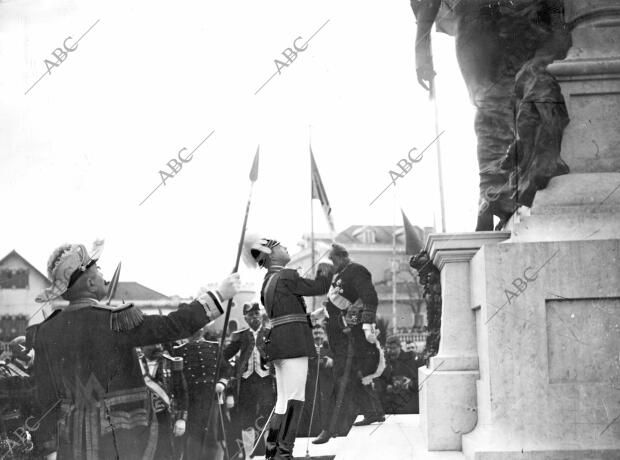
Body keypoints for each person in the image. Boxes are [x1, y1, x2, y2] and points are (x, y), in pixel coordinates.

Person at [29, 240, 239, 460]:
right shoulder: (115, 320)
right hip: (119, 437)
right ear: (90, 283)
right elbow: (171, 326)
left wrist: (49, 447)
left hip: (71, 442)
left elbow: (44, 395)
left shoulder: (45, 331)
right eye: (99, 271)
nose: (105, 277)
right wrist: (219, 295)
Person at [243, 235, 333, 459]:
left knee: (283, 401)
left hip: (279, 345)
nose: (286, 247)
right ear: (272, 254)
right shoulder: (287, 274)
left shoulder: (268, 282)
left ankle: (274, 452)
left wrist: (311, 318)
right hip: (293, 345)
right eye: (281, 246)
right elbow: (320, 286)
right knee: (295, 399)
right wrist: (326, 262)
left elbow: (285, 318)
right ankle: (284, 454)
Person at [313, 243, 385, 445]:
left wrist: (366, 326)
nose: (331, 265)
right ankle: (374, 411)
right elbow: (332, 306)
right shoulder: (339, 275)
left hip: (350, 336)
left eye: (333, 260)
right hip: (337, 335)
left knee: (340, 378)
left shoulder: (356, 271)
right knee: (354, 375)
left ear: (342, 257)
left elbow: (370, 298)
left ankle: (329, 429)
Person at [223, 302, 274, 458]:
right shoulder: (241, 335)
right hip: (246, 381)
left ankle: (267, 452)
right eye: (251, 315)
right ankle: (249, 452)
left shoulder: (269, 333)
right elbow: (225, 356)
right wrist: (231, 371)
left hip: (265, 380)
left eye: (257, 314)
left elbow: (278, 352)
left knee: (266, 416)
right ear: (245, 317)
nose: (254, 317)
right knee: (247, 417)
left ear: (261, 315)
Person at [173, 326, 229, 460]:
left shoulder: (214, 347)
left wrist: (221, 383)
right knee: (193, 440)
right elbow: (178, 382)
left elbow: (226, 370)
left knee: (212, 438)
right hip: (192, 402)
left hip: (211, 400)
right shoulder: (179, 351)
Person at [137, 343, 188, 460]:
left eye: (157, 342)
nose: (155, 346)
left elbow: (182, 392)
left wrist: (181, 419)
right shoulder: (136, 365)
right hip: (142, 421)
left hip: (166, 419)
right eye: (149, 342)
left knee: (166, 454)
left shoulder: (171, 363)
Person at [298, 325, 336, 438]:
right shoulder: (307, 350)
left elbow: (335, 363)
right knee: (312, 409)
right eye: (315, 333)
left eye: (320, 333)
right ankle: (313, 433)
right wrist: (325, 361)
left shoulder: (330, 350)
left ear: (324, 335)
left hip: (326, 385)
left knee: (326, 408)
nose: (318, 336)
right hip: (311, 385)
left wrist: (332, 362)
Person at [376, 336, 425, 414]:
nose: (390, 351)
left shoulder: (411, 360)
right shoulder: (383, 362)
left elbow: (421, 379)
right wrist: (386, 386)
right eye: (388, 348)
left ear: (400, 347)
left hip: (409, 403)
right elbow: (378, 379)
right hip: (390, 403)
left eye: (393, 348)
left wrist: (410, 383)